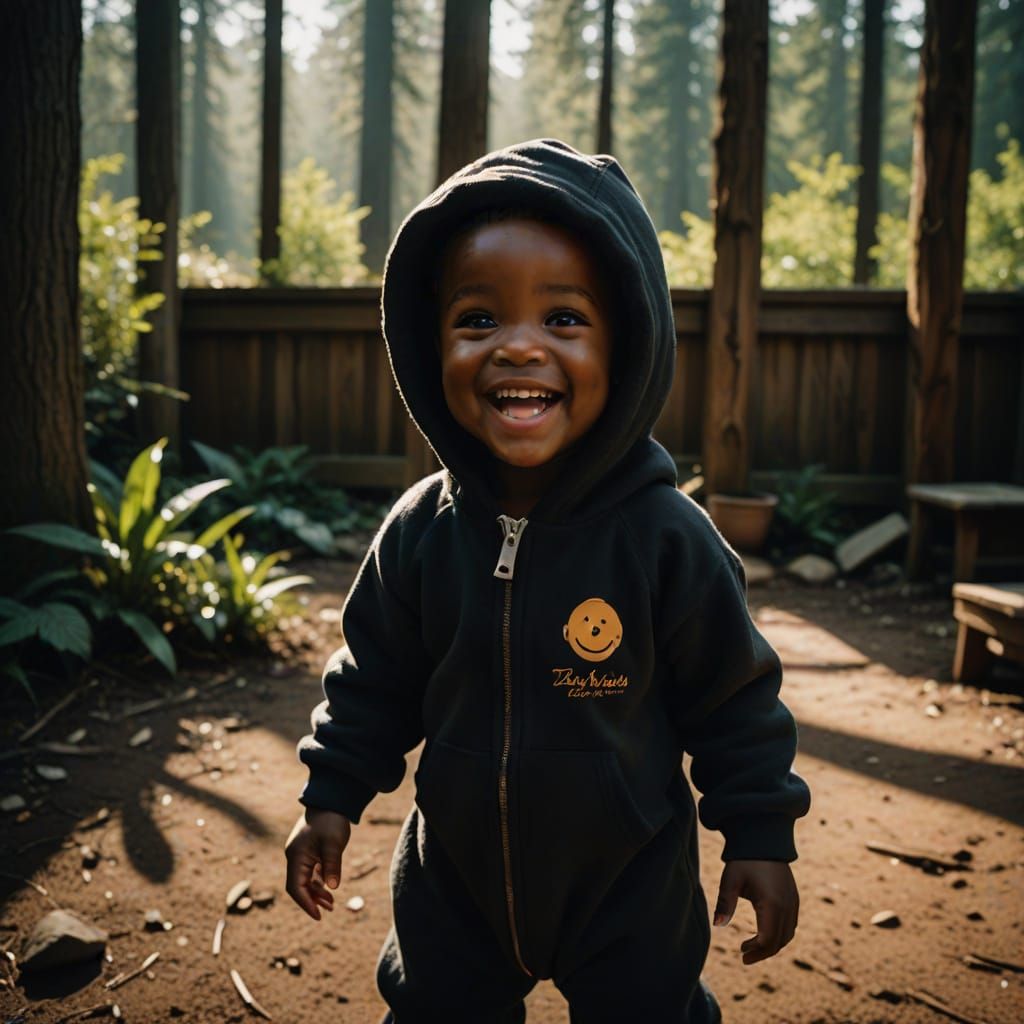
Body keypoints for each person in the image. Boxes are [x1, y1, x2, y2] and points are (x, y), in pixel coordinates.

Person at [284, 138, 811, 1024]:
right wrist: (330, 796)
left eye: (564, 319)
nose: (518, 348)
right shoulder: (422, 530)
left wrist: (759, 832)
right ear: (428, 343)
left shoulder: (666, 536)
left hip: (630, 876)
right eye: (479, 321)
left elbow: (736, 699)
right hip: (455, 872)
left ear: (629, 342)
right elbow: (372, 678)